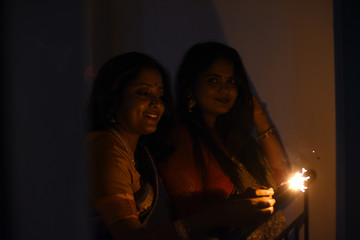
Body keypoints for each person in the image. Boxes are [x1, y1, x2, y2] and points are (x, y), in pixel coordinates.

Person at [87, 52, 277, 240]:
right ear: (113, 97)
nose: (156, 103)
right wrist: (216, 217)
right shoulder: (107, 147)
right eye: (143, 93)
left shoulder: (138, 149)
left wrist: (236, 206)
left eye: (159, 95)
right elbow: (129, 236)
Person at [159, 42, 291, 239]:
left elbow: (284, 181)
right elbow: (190, 219)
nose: (225, 90)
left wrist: (260, 117)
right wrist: (237, 207)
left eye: (231, 82)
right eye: (214, 81)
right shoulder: (182, 139)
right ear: (189, 86)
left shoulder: (234, 139)